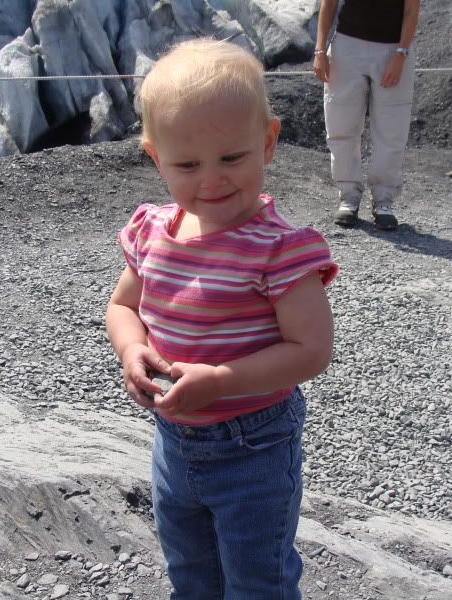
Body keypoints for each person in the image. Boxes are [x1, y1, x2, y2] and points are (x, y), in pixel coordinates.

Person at [104, 39, 338, 599]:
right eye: (187, 165)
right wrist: (131, 350)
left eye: (232, 158)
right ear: (155, 157)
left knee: (257, 578)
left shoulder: (280, 248)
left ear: (268, 142)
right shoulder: (153, 232)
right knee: (190, 569)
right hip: (172, 439)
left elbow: (311, 349)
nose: (211, 181)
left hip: (253, 444)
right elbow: (122, 307)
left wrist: (221, 381)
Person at [313, 0, 420, 230]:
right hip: (346, 47)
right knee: (341, 125)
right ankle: (348, 196)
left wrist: (401, 54)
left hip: (392, 48)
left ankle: (384, 201)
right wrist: (320, 49)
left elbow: (412, 9)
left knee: (391, 130)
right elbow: (329, 3)